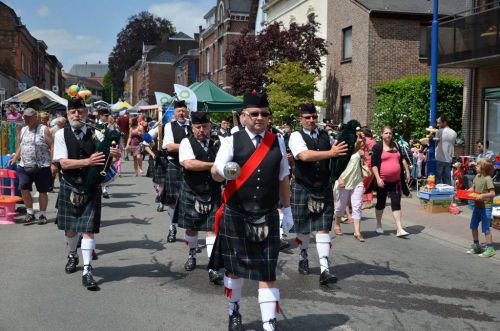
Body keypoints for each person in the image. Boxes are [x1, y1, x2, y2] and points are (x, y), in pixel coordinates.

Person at [210, 90, 293, 331]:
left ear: (269, 117)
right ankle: (234, 310)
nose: (259, 117)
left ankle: (269, 323)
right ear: (243, 117)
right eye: (254, 114)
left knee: (268, 272)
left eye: (264, 114)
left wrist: (286, 211)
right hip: (237, 213)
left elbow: (283, 178)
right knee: (235, 271)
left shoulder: (277, 141)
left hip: (266, 214)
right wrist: (224, 171)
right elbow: (215, 173)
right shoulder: (230, 141)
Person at [53, 98, 121, 290]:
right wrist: (88, 162)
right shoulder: (61, 134)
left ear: (87, 113)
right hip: (69, 183)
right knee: (71, 230)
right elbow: (63, 163)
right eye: (73, 112)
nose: (77, 115)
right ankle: (73, 254)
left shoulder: (97, 132)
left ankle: (87, 270)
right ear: (68, 115)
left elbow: (110, 157)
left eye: (80, 111)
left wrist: (114, 155)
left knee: (88, 229)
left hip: (91, 185)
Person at [288, 103, 348, 284]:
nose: (312, 120)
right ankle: (303, 255)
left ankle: (325, 269)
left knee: (323, 227)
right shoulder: (295, 136)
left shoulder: (325, 136)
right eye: (308, 117)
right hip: (303, 186)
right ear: (301, 119)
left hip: (323, 186)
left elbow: (338, 154)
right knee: (304, 227)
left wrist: (353, 146)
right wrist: (331, 152)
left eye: (314, 117)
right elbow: (304, 156)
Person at [176, 111, 224, 284]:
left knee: (213, 228)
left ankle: (212, 266)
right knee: (191, 227)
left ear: (210, 127)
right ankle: (192, 255)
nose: (202, 130)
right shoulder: (186, 142)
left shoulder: (219, 143)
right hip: (192, 189)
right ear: (192, 128)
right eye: (198, 127)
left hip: (213, 190)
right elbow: (189, 163)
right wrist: (215, 165)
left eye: (205, 126)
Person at [9, 108, 54, 224]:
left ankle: (42, 215)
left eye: (29, 117)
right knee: (23, 187)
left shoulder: (44, 129)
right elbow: (21, 146)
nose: (26, 119)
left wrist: (53, 163)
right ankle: (30, 213)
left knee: (42, 191)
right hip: (24, 165)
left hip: (42, 166)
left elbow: (52, 145)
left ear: (36, 117)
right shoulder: (23, 129)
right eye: (25, 117)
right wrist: (14, 159)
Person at [369, 126, 411, 237]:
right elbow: (374, 165)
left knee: (396, 203)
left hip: (396, 181)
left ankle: (399, 228)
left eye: (390, 133)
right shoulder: (377, 147)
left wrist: (407, 171)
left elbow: (402, 159)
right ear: (382, 134)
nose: (388, 135)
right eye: (386, 133)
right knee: (380, 203)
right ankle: (378, 224)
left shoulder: (396, 145)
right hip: (383, 181)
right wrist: (378, 178)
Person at [162, 100, 192, 242]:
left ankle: (190, 235)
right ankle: (172, 227)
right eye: (178, 110)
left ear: (187, 111)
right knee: (173, 201)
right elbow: (169, 147)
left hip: (191, 167)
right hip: (175, 165)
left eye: (183, 110)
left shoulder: (193, 125)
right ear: (174, 112)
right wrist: (190, 146)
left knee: (189, 201)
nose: (181, 113)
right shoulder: (169, 126)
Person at [333, 132, 366, 242]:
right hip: (343, 181)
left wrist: (362, 156)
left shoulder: (359, 149)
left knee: (357, 206)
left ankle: (357, 232)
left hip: (357, 181)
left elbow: (363, 159)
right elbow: (333, 165)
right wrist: (339, 178)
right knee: (340, 206)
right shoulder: (341, 149)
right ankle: (337, 225)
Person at [466, 158, 496, 257]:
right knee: (473, 226)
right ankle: (476, 245)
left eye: (478, 165)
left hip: (486, 207)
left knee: (486, 228)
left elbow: (492, 193)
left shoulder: (488, 179)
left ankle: (490, 248)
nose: (476, 166)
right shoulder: (477, 176)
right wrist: (468, 191)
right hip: (477, 206)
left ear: (483, 168)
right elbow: (473, 188)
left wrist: (483, 195)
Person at [434, 115, 457, 185]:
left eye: (439, 123)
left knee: (437, 179)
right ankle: (448, 195)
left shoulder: (439, 131)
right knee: (447, 180)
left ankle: (437, 195)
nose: (438, 125)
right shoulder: (454, 133)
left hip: (439, 158)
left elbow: (435, 143)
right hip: (448, 159)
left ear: (445, 122)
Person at [361, 127, 376, 209]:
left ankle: (363, 201)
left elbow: (360, 151)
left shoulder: (364, 140)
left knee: (362, 182)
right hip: (373, 164)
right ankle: (368, 201)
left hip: (366, 163)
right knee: (369, 183)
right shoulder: (373, 141)